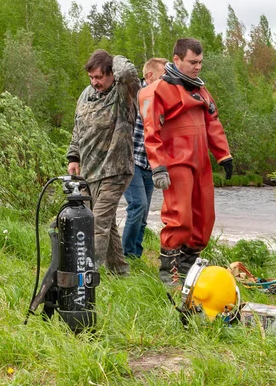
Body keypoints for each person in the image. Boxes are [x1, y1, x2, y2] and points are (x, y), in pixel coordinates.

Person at [139, 38, 233, 286]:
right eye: (193, 62)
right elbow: (151, 131)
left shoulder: (201, 90)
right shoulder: (158, 90)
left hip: (201, 160)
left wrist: (223, 155)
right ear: (177, 59)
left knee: (204, 218)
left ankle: (188, 269)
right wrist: (158, 166)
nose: (198, 67)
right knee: (180, 217)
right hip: (176, 160)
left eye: (200, 62)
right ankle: (168, 272)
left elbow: (213, 123)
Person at [67, 49, 140, 276]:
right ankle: (119, 271)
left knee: (95, 222)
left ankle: (86, 276)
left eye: (99, 77)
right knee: (107, 223)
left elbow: (127, 71)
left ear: (111, 74)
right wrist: (73, 156)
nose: (95, 82)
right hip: (89, 170)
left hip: (115, 169)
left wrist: (110, 57)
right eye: (91, 77)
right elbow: (78, 127)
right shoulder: (86, 94)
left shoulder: (122, 92)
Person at [122, 58, 168, 259]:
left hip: (151, 165)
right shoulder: (134, 95)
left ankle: (135, 257)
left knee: (143, 215)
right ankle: (126, 254)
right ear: (149, 76)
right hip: (131, 162)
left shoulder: (164, 99)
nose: (166, 82)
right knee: (138, 206)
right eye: (162, 77)